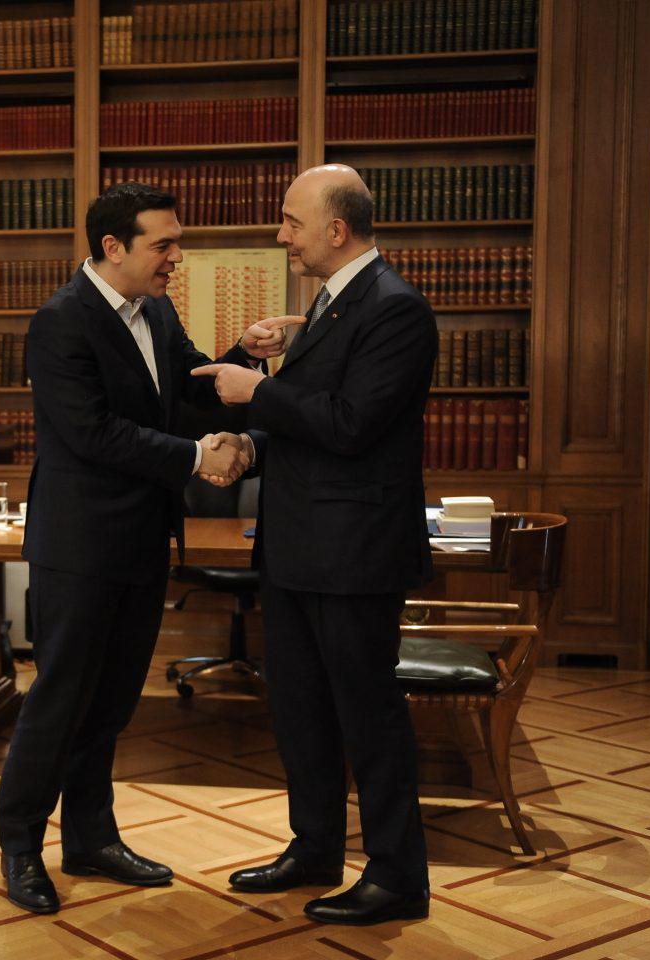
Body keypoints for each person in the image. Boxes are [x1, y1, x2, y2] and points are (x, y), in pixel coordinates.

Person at [0, 181, 252, 915]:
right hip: (78, 545)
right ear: (113, 247)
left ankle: (90, 839)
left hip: (143, 538)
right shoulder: (60, 321)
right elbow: (92, 433)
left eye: (177, 243)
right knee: (60, 701)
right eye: (162, 245)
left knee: (111, 702)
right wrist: (196, 457)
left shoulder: (157, 310)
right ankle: (20, 848)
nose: (176, 258)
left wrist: (245, 356)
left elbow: (189, 394)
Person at [192, 164, 438, 925]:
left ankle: (396, 876)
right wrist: (251, 444)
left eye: (292, 223)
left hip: (353, 554)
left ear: (336, 229)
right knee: (300, 711)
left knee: (367, 717)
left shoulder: (395, 308)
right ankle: (315, 849)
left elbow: (352, 426)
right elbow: (312, 431)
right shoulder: (330, 304)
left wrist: (258, 391)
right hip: (299, 547)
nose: (281, 236)